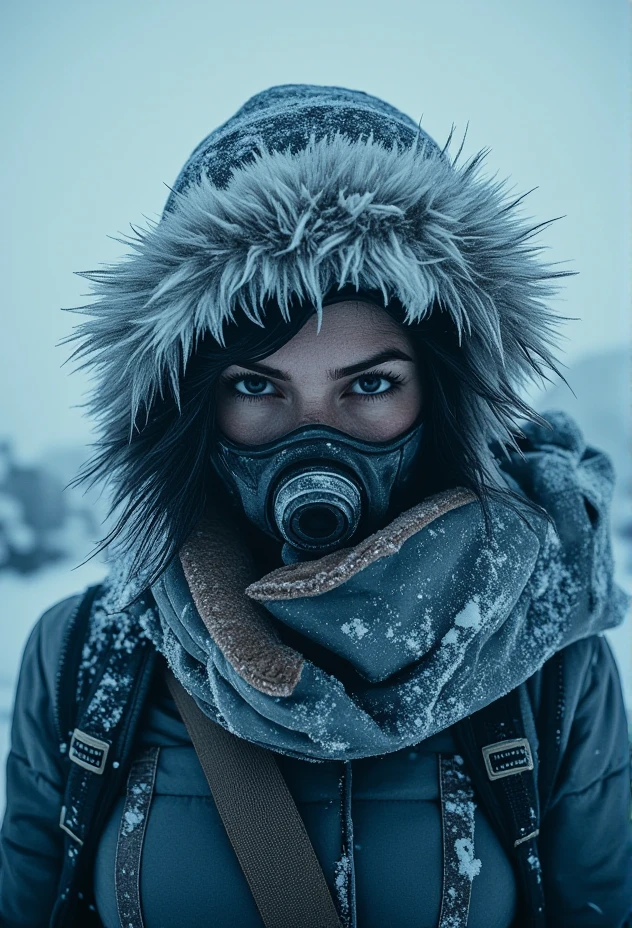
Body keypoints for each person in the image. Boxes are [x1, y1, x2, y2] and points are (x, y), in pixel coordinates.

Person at [1, 84, 631, 928]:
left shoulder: (545, 664)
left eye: (369, 384)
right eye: (256, 386)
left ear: (443, 397)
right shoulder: (90, 661)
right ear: (190, 408)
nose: (314, 441)